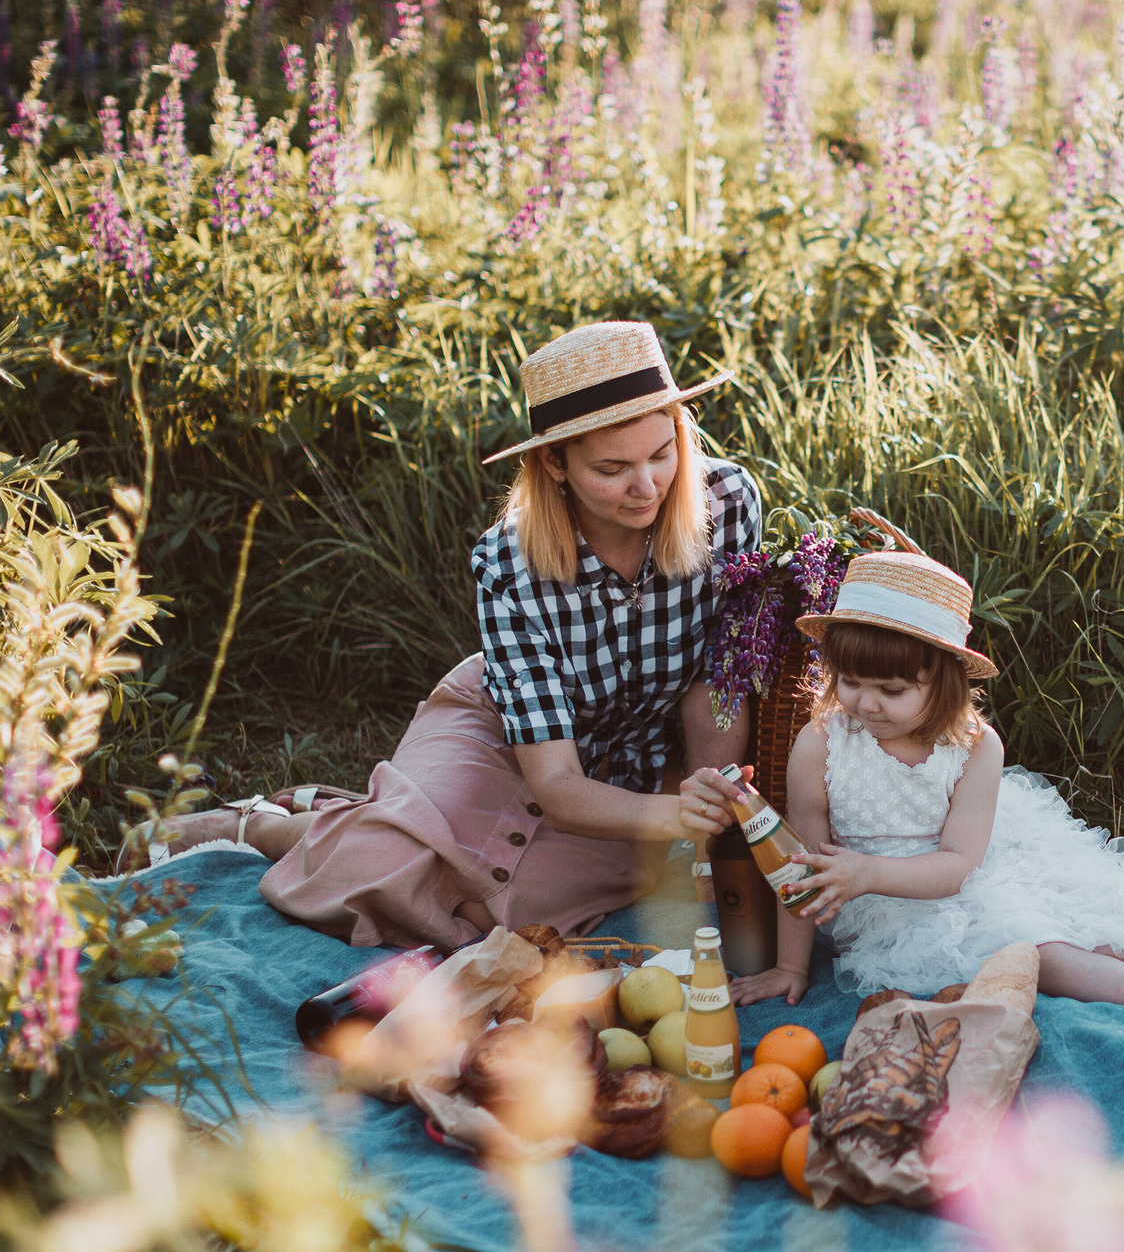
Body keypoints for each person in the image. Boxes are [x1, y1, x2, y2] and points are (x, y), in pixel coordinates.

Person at [131, 322, 752, 948]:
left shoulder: (725, 505)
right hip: (509, 738)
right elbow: (557, 784)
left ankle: (379, 821)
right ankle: (260, 828)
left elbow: (717, 682)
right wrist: (676, 819)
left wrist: (704, 811)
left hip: (635, 770)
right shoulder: (510, 561)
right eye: (613, 468)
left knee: (489, 919)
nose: (646, 486)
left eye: (661, 453)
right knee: (368, 876)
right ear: (555, 463)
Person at [724, 529, 1124, 1053]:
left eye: (892, 689)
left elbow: (958, 866)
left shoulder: (973, 748)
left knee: (1107, 926)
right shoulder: (822, 743)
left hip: (964, 871)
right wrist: (789, 966)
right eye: (853, 682)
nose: (867, 703)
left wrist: (865, 870)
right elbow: (797, 868)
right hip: (897, 913)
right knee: (1044, 951)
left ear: (941, 682)